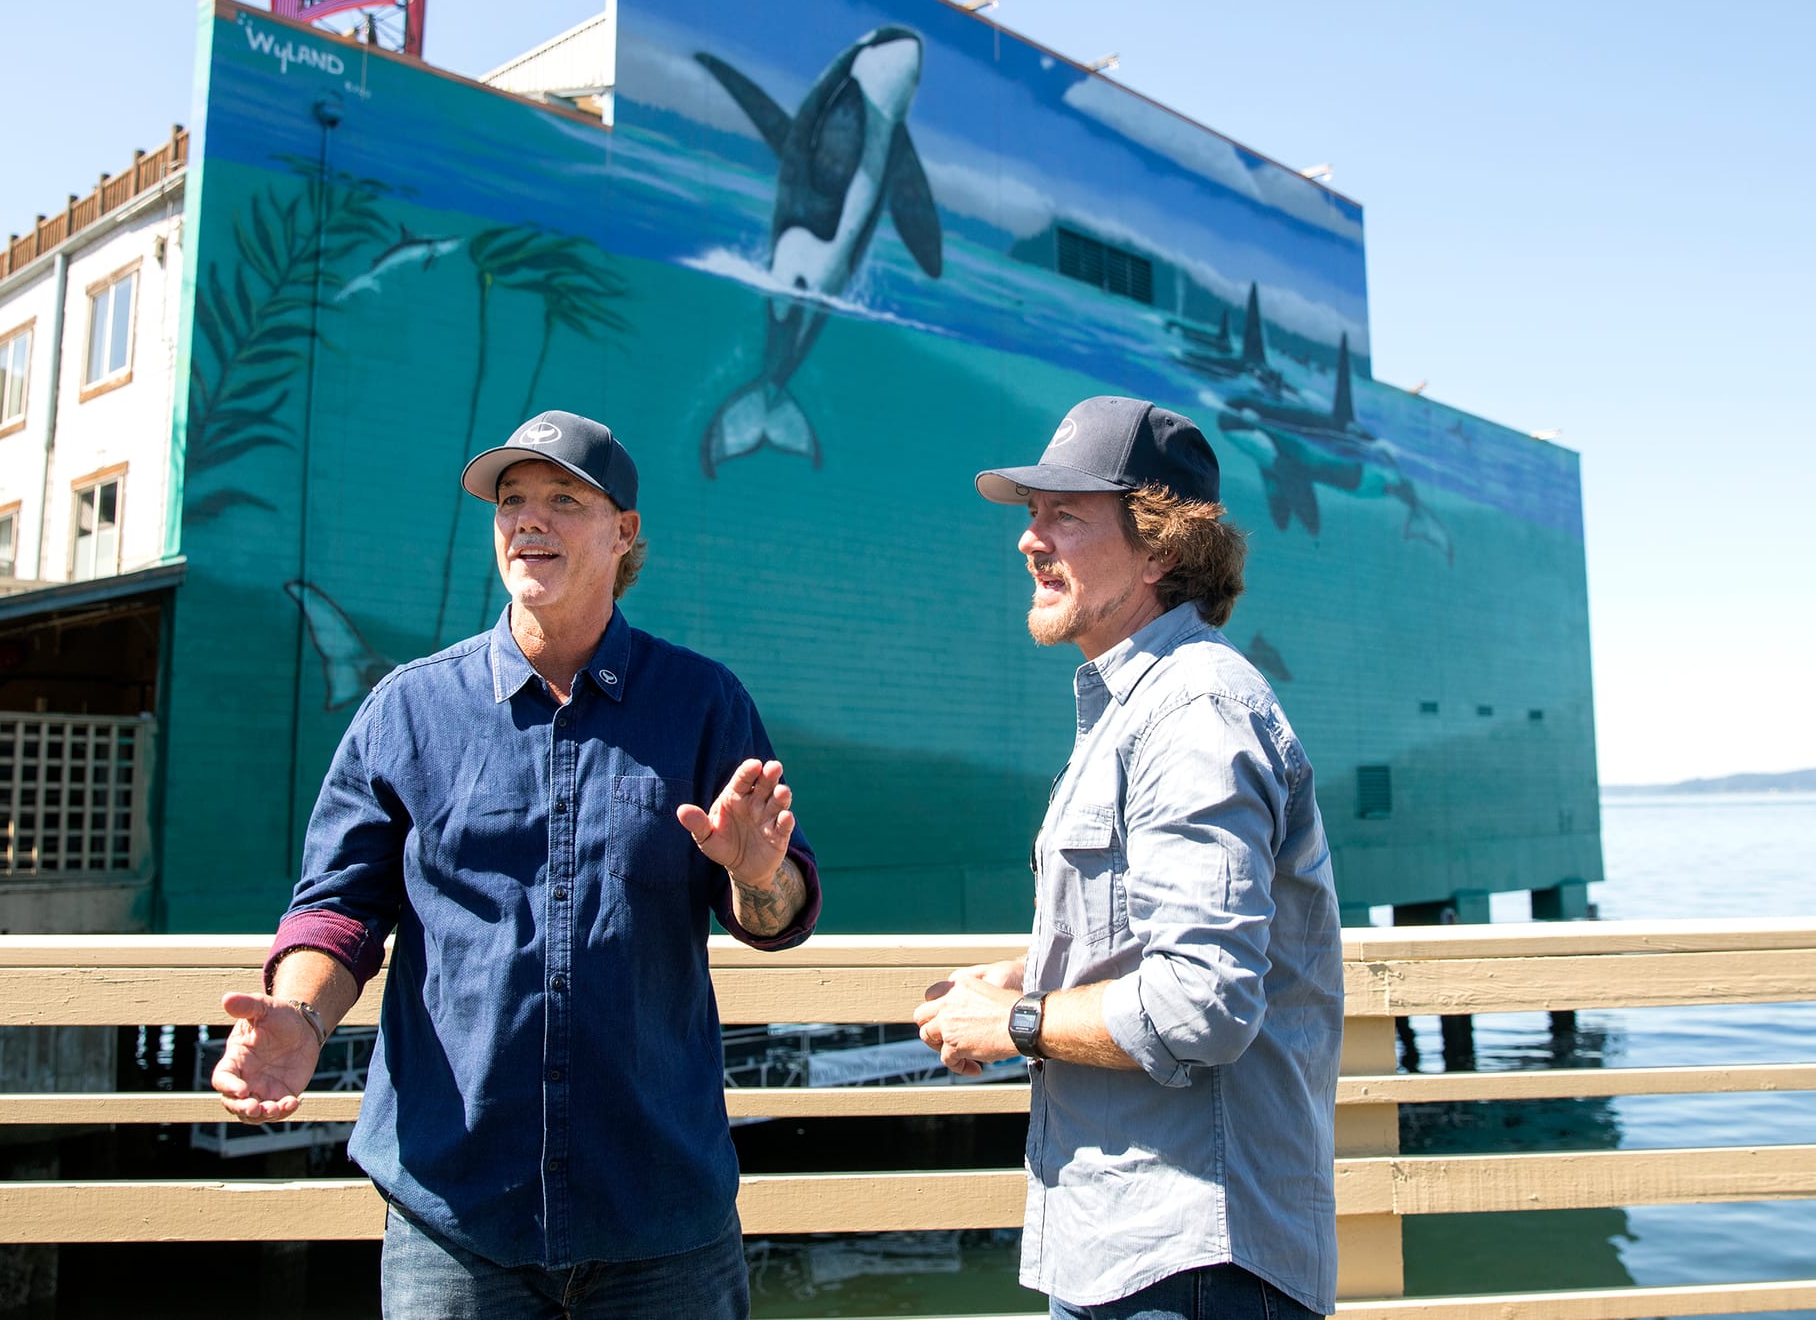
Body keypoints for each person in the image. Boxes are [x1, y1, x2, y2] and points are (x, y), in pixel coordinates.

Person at [212, 410, 819, 1319]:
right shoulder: (406, 711)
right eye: (512, 500)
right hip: (455, 1222)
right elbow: (338, 909)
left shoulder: (704, 703)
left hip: (662, 1218)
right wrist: (301, 1016)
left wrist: (757, 875)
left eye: (563, 500)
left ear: (624, 532)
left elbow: (779, 913)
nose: (528, 518)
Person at [914, 395, 1343, 1318]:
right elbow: (1156, 935)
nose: (1029, 539)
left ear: (1159, 551)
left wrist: (1016, 1021)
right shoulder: (1142, 704)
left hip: (1192, 1264)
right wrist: (1035, 968)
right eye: (1032, 513)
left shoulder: (1193, 715)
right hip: (1136, 1248)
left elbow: (1204, 1001)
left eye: (1065, 515)